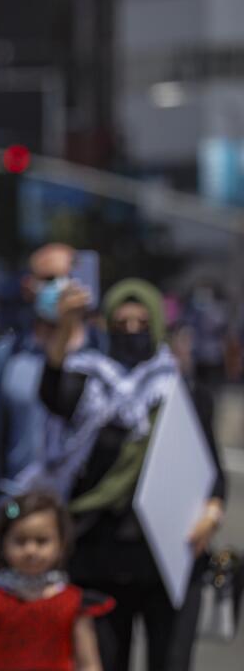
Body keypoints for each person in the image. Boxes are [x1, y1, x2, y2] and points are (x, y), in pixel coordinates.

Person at [36, 278, 227, 671]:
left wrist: (210, 515)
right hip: (98, 554)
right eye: (121, 323)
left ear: (158, 325)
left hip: (168, 559)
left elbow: (213, 475)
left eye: (142, 323)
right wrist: (67, 325)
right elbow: (52, 391)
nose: (132, 332)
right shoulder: (89, 383)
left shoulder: (185, 390)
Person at [0, 243, 91, 518]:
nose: (61, 287)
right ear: (28, 287)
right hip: (17, 509)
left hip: (80, 514)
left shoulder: (100, 356)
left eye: (69, 277)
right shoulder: (5, 358)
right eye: (49, 279)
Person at [0, 491, 111, 671]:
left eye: (41, 541)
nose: (31, 550)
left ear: (61, 544)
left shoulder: (74, 602)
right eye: (20, 541)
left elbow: (89, 664)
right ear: (4, 543)